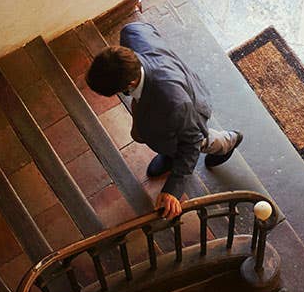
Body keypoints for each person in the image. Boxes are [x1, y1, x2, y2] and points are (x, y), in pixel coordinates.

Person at [85, 22, 242, 220]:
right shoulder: (133, 32)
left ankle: (229, 141)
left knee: (200, 140)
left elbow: (191, 142)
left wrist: (173, 190)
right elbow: (148, 29)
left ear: (130, 83)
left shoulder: (174, 103)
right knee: (160, 135)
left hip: (189, 108)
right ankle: (169, 154)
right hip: (172, 96)